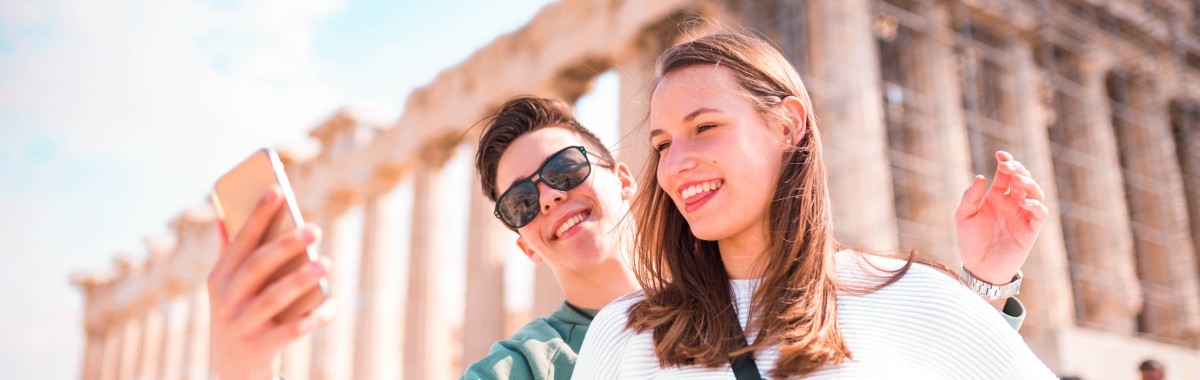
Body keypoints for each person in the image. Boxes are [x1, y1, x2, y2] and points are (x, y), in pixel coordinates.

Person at [204, 94, 1033, 380]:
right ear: (523, 243)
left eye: (566, 169)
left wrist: (985, 289)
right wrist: (248, 363)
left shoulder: (774, 288)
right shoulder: (530, 368)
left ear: (624, 178)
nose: (550, 201)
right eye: (520, 205)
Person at [572, 33, 1055, 379]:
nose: (675, 164)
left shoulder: (916, 296)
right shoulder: (622, 332)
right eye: (661, 145)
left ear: (787, 126)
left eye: (705, 127)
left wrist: (983, 290)